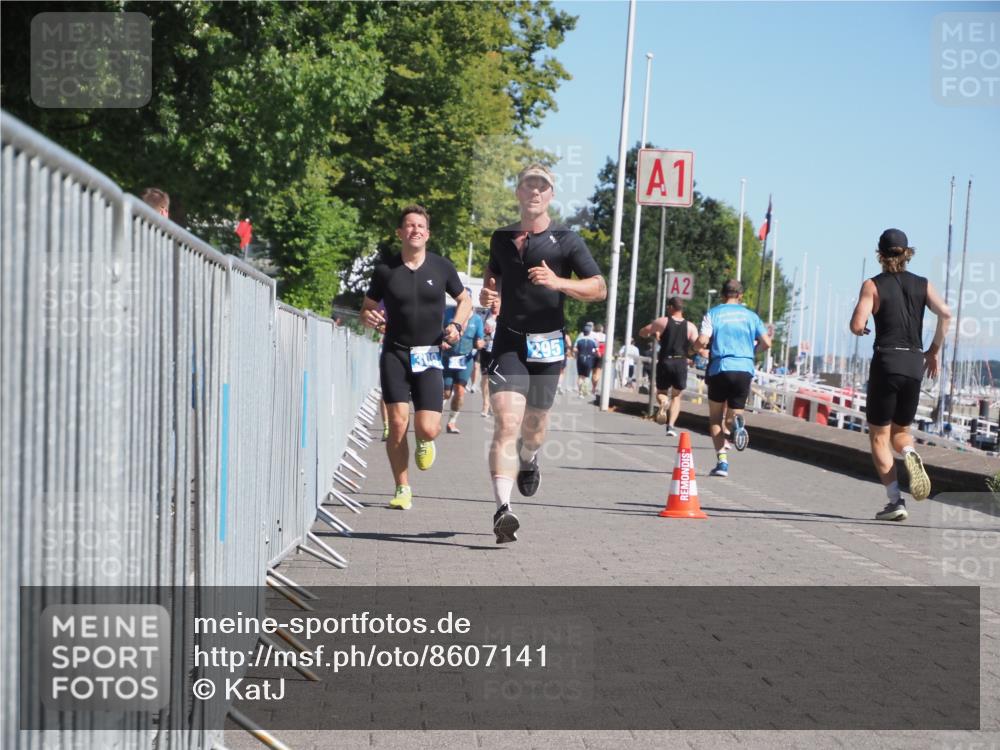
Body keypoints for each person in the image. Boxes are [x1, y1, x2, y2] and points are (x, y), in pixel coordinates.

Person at [480, 163, 606, 543]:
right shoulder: (501, 238)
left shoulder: (567, 240)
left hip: (549, 344)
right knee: (506, 422)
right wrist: (490, 294)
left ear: (551, 195)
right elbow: (493, 275)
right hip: (509, 342)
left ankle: (530, 459)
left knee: (533, 427)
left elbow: (598, 287)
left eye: (543, 187)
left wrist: (558, 282)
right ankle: (503, 509)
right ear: (518, 192)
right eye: (528, 185)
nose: (535, 192)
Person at [361, 205, 472, 510]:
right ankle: (402, 488)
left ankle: (425, 439)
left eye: (421, 226)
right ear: (400, 232)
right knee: (397, 423)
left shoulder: (441, 267)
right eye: (409, 225)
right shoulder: (385, 270)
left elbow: (465, 300)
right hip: (395, 352)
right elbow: (367, 307)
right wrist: (368, 317)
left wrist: (457, 325)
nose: (415, 230)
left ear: (428, 233)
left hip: (429, 355)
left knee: (428, 427)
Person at [850, 228, 951, 521]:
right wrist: (933, 351)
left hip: (887, 361)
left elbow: (857, 323)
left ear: (880, 255)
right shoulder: (923, 284)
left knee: (879, 437)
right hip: (913, 363)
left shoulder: (872, 285)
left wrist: (860, 327)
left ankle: (895, 501)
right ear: (908, 253)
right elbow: (946, 314)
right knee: (901, 433)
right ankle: (908, 452)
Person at [691, 280, 771, 477]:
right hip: (744, 368)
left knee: (715, 418)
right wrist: (751, 352)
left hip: (721, 367)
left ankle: (722, 462)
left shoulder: (713, 314)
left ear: (721, 294)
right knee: (733, 415)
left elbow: (703, 340)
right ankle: (737, 424)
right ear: (741, 295)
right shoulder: (752, 316)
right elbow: (767, 343)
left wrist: (694, 349)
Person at [639, 296, 699, 437]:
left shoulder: (662, 322)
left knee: (661, 392)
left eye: (668, 306)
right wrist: (693, 354)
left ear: (671, 307)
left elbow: (642, 332)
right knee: (677, 396)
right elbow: (698, 345)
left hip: (665, 361)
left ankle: (664, 402)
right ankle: (671, 426)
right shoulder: (690, 326)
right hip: (681, 362)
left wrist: (653, 334)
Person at [441, 298, 485, 434]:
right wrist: (442, 342)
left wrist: (480, 343)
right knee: (445, 393)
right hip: (447, 358)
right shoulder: (448, 313)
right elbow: (438, 331)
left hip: (465, 360)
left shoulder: (476, 319)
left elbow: (480, 339)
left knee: (460, 391)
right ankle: (435, 416)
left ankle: (452, 422)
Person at [479, 300, 499, 417]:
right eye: (492, 302)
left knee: (495, 379)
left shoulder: (505, 315)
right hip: (486, 350)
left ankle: (493, 404)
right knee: (486, 377)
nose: (494, 304)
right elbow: (479, 329)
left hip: (499, 351)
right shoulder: (485, 314)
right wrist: (484, 334)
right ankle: (486, 404)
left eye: (496, 302)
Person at [573, 322, 600, 397]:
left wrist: (579, 352)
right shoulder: (594, 338)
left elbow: (575, 349)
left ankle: (580, 392)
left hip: (580, 358)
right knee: (587, 376)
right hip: (589, 358)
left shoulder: (580, 336)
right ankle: (584, 391)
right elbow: (597, 349)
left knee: (580, 376)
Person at [590, 322, 607, 397]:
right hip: (602, 354)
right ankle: (594, 387)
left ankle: (593, 387)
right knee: (598, 371)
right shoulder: (605, 336)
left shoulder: (592, 335)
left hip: (593, 354)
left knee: (593, 372)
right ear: (601, 329)